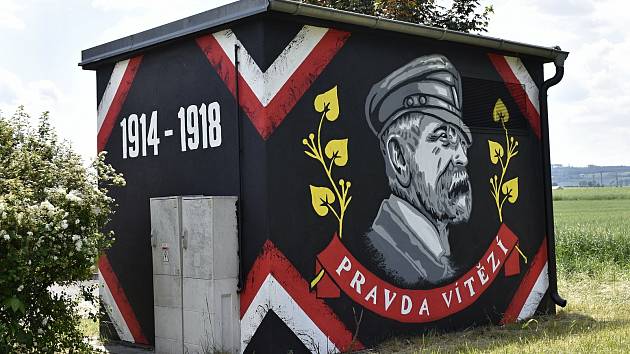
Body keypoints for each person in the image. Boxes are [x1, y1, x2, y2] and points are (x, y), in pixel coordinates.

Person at [364, 54, 473, 286]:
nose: (462, 157)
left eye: (461, 142)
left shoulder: (437, 248)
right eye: (444, 138)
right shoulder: (382, 246)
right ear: (399, 157)